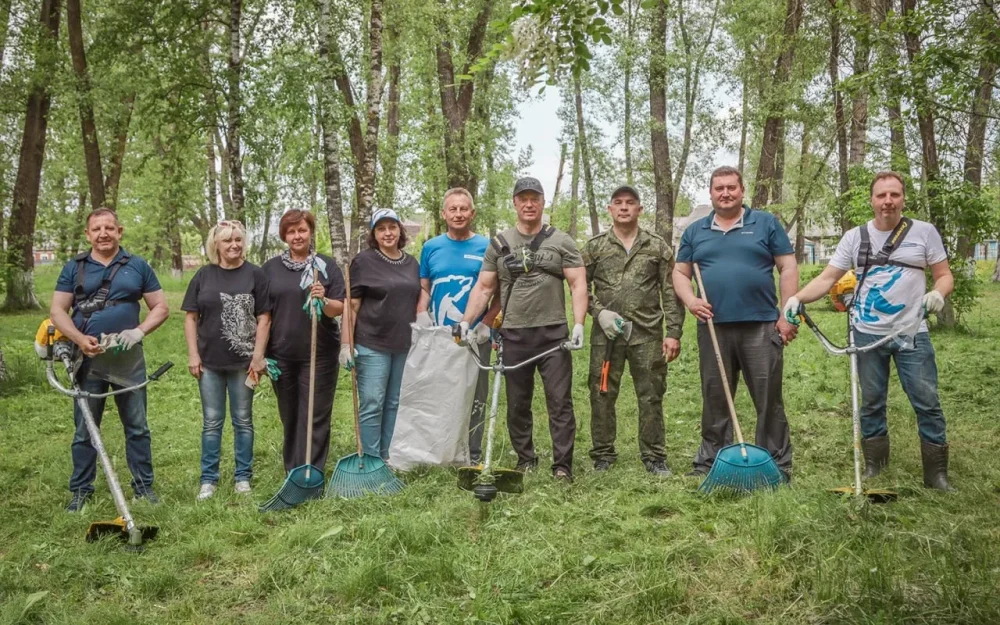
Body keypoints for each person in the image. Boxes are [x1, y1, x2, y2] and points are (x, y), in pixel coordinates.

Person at [782, 171, 955, 491]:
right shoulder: (855, 237)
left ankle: (936, 475)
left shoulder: (925, 233)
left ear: (903, 198)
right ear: (872, 200)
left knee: (926, 400)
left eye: (894, 194)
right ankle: (876, 466)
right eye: (881, 195)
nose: (887, 201)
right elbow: (827, 279)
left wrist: (938, 294)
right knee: (872, 401)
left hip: (912, 332)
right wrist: (797, 297)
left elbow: (944, 275)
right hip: (866, 333)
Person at [672, 166, 798, 480]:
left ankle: (776, 463)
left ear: (742, 191)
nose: (725, 193)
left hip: (761, 325)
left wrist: (787, 314)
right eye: (719, 188)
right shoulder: (695, 231)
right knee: (715, 396)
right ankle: (711, 461)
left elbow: (788, 266)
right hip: (714, 327)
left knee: (768, 397)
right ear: (711, 193)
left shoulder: (766, 223)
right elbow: (679, 273)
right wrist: (691, 300)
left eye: (731, 187)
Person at [460, 176, 588, 483]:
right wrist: (467, 322)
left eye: (535, 198)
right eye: (523, 199)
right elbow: (484, 287)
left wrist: (580, 323)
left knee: (559, 403)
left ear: (543, 202)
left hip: (553, 335)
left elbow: (578, 282)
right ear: (515, 203)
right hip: (514, 335)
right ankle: (526, 458)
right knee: (517, 404)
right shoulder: (499, 244)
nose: (529, 204)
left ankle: (562, 465)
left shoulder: (562, 241)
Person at [49, 207, 169, 511]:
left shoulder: (138, 265)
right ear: (88, 234)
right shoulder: (74, 268)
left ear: (119, 231)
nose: (103, 234)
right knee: (85, 428)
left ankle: (144, 489)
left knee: (137, 427)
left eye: (109, 228)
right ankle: (81, 492)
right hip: (87, 358)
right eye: (97, 229)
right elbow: (58, 311)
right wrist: (78, 339)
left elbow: (160, 308)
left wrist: (139, 332)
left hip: (128, 359)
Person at [582, 185, 685, 477]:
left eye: (630, 203)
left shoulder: (657, 246)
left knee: (651, 394)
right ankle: (603, 453)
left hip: (647, 334)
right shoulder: (595, 247)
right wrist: (598, 312)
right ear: (610, 209)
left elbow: (670, 291)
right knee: (601, 392)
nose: (624, 207)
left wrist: (673, 332)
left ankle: (654, 456)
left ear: (640, 209)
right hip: (607, 336)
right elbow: (579, 287)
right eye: (618, 203)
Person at [182, 220, 271, 500]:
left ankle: (242, 477)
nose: (234, 245)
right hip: (209, 362)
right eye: (227, 240)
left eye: (238, 239)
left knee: (243, 420)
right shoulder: (203, 276)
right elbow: (190, 317)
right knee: (212, 421)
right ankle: (208, 479)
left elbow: (264, 317)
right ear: (215, 245)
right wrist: (193, 354)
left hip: (244, 363)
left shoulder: (256, 275)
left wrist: (258, 357)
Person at [416, 188, 499, 463]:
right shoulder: (431, 247)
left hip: (476, 336)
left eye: (464, 209)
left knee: (476, 395)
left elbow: (498, 291)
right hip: (440, 337)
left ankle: (472, 454)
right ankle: (442, 449)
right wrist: (421, 312)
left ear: (472, 213)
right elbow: (424, 287)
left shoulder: (487, 246)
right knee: (440, 393)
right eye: (453, 209)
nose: (459, 213)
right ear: (444, 214)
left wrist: (487, 322)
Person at [262, 210, 345, 473]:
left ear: (310, 232)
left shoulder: (326, 266)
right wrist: (259, 353)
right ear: (284, 236)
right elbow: (262, 313)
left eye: (302, 230)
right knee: (290, 415)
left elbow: (338, 308)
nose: (297, 236)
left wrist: (324, 299)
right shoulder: (270, 269)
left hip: (319, 354)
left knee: (316, 415)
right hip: (281, 353)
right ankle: (294, 470)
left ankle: (313, 470)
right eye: (291, 231)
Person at [341, 208, 421, 462]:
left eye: (392, 227)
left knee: (393, 402)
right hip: (371, 342)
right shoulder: (364, 261)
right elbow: (351, 305)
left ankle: (386, 457)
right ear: (374, 234)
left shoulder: (411, 263)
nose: (388, 233)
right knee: (373, 402)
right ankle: (370, 458)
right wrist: (345, 344)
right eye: (381, 228)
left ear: (400, 231)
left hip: (402, 344)